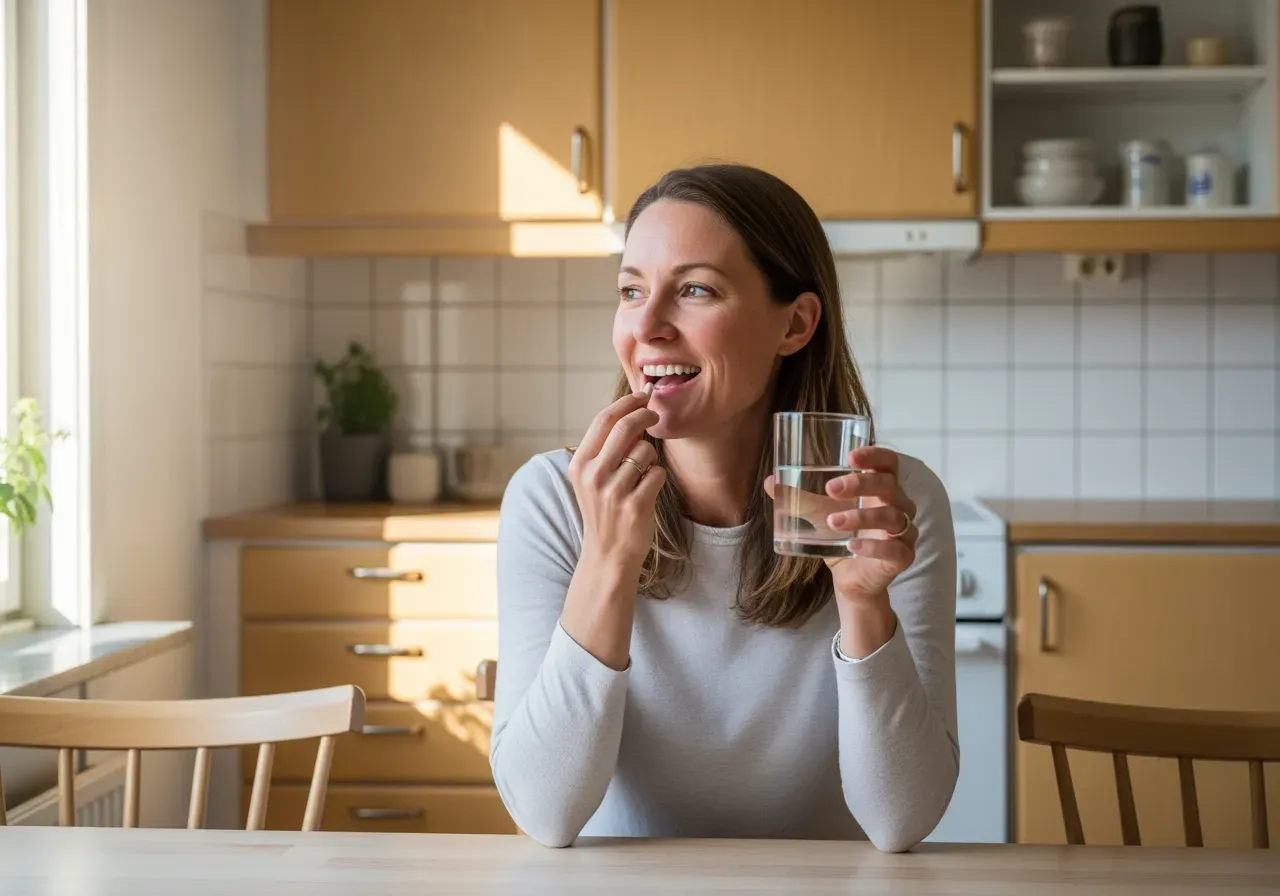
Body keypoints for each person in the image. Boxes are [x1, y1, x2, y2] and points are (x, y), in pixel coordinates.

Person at [490, 164, 957, 852]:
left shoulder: (886, 506)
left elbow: (901, 821)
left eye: (695, 290)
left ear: (795, 324)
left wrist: (863, 604)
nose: (646, 328)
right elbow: (543, 813)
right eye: (630, 291)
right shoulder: (553, 500)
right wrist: (610, 560)